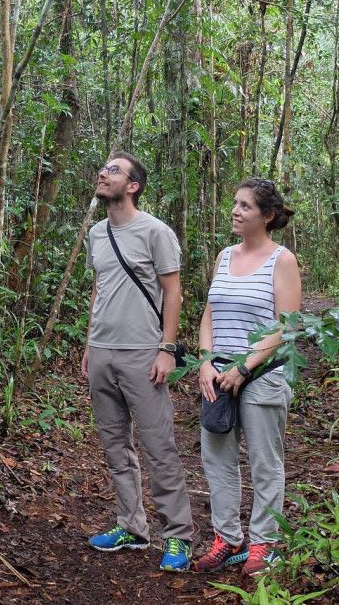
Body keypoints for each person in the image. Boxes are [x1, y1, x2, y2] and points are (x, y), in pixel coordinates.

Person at [81, 152, 193, 572]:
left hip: (143, 353)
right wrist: (90, 343)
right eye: (104, 167)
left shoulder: (156, 232)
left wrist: (166, 349)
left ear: (133, 186)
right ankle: (131, 525)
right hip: (103, 351)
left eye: (113, 170)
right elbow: (100, 288)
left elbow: (173, 293)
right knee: (115, 447)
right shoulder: (96, 233)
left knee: (159, 447)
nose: (103, 173)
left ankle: (178, 536)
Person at [193, 178, 301, 578]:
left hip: (263, 375)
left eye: (246, 206)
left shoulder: (282, 260)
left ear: (267, 216)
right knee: (217, 460)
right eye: (235, 204)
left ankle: (264, 543)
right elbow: (209, 315)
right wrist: (206, 361)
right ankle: (227, 538)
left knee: (264, 462)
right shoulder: (224, 256)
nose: (236, 211)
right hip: (217, 375)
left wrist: (246, 366)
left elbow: (285, 327)